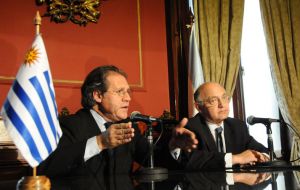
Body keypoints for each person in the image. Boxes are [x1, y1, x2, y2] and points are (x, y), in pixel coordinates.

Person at [38, 65, 198, 177]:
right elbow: (47, 167)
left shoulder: (128, 126)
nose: (128, 98)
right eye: (120, 92)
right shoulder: (71, 124)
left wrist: (173, 146)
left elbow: (153, 162)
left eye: (128, 92)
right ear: (97, 95)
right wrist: (100, 142)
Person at [184, 82, 269, 170]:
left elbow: (264, 151)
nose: (222, 105)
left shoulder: (238, 126)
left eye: (224, 98)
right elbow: (193, 161)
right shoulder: (190, 128)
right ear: (198, 107)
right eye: (213, 100)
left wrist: (261, 157)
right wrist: (237, 159)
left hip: (236, 182)